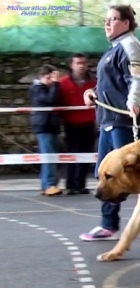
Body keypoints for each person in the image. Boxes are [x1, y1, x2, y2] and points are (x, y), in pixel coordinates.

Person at [79, 4, 140, 241]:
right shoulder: (114, 49)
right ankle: (108, 224)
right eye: (106, 20)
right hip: (110, 120)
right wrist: (92, 92)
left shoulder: (129, 46)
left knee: (130, 173)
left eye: (112, 19)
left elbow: (136, 78)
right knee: (106, 172)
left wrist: (133, 102)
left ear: (126, 23)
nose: (107, 24)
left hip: (124, 119)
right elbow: (110, 85)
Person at [59, 53, 97, 195]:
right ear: (71, 65)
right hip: (71, 125)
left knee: (86, 154)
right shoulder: (63, 83)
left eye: (83, 63)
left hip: (88, 124)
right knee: (72, 154)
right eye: (78, 63)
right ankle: (70, 184)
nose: (81, 66)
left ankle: (81, 184)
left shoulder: (93, 83)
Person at [29, 64, 63, 196]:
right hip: (44, 126)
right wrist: (55, 84)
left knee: (52, 156)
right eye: (49, 78)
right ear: (41, 77)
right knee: (48, 156)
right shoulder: (37, 89)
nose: (51, 81)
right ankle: (49, 184)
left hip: (52, 126)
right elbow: (50, 99)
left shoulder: (48, 88)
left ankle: (49, 183)